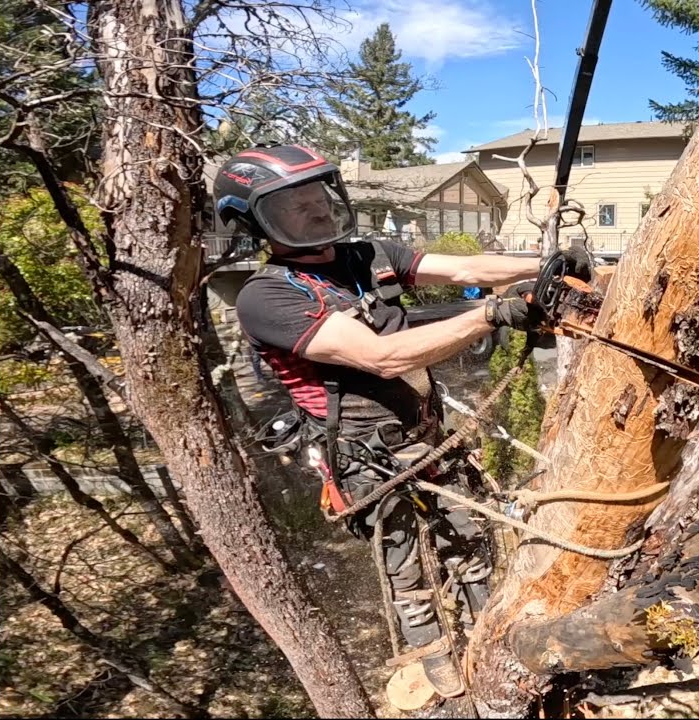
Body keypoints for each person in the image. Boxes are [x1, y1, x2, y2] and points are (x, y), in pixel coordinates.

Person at [213, 144, 588, 699]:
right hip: (367, 454)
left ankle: (491, 625)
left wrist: (549, 263)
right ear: (259, 222)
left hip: (423, 432)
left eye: (319, 193)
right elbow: (382, 357)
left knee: (468, 534)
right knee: (405, 554)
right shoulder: (266, 296)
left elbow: (465, 267)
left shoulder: (364, 254)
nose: (316, 207)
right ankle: (433, 651)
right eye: (295, 204)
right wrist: (491, 313)